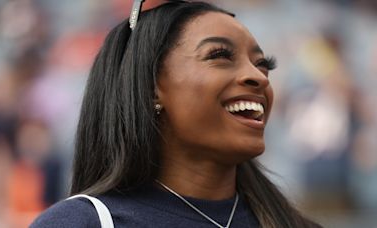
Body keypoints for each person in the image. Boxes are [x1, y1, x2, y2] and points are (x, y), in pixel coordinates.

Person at [31, 1, 321, 227]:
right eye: (220, 56)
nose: (259, 77)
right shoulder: (83, 223)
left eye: (262, 64)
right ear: (150, 87)